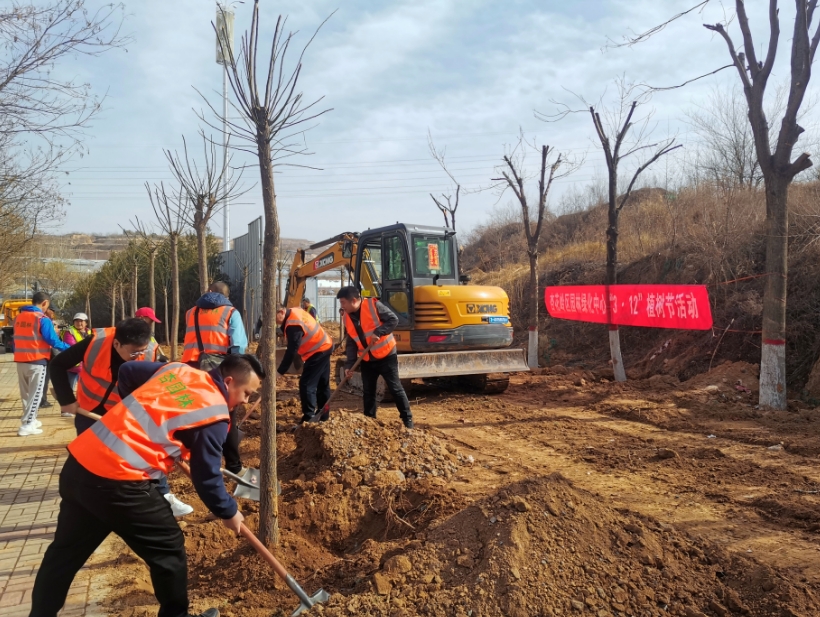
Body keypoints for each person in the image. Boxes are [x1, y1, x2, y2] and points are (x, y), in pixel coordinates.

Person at [28, 354, 265, 617]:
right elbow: (206, 475)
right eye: (246, 393)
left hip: (80, 466)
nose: (245, 401)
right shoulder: (214, 414)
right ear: (229, 381)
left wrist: (138, 415)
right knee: (169, 548)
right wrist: (228, 511)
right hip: (120, 483)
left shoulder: (179, 371)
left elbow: (128, 371)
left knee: (64, 554)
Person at [50, 318, 194, 516]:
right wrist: (66, 399)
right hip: (90, 410)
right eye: (134, 352)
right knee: (90, 456)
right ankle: (90, 501)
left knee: (144, 452)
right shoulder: (95, 343)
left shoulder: (150, 352)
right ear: (117, 343)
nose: (139, 356)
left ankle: (164, 496)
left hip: (124, 412)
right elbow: (57, 365)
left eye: (141, 351)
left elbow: (161, 388)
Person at [337, 286, 413, 429]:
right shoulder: (346, 317)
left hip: (386, 355)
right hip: (366, 359)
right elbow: (352, 343)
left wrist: (379, 331)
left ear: (353, 300)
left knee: (395, 388)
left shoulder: (373, 305)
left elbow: (393, 320)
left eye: (343, 303)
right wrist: (349, 365)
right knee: (368, 391)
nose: (342, 306)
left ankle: (407, 420)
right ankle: (369, 421)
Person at [13, 292, 70, 436]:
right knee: (36, 395)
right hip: (37, 360)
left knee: (26, 394)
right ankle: (28, 424)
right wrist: (70, 349)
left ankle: (29, 419)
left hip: (20, 360)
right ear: (44, 303)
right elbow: (53, 341)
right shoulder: (42, 319)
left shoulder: (19, 317)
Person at [275, 305, 333, 423]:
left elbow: (292, 350)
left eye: (273, 318)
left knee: (306, 384)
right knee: (322, 384)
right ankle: (324, 415)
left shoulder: (293, 324)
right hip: (325, 345)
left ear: (281, 312)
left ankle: (309, 417)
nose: (274, 322)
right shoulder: (294, 311)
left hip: (317, 351)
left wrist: (280, 371)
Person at [60, 312, 91, 395]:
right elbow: (72, 346)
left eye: (81, 321)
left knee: (85, 389)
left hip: (85, 366)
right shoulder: (69, 332)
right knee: (69, 388)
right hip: (73, 365)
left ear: (86, 323)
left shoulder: (89, 332)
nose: (79, 323)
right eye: (76, 321)